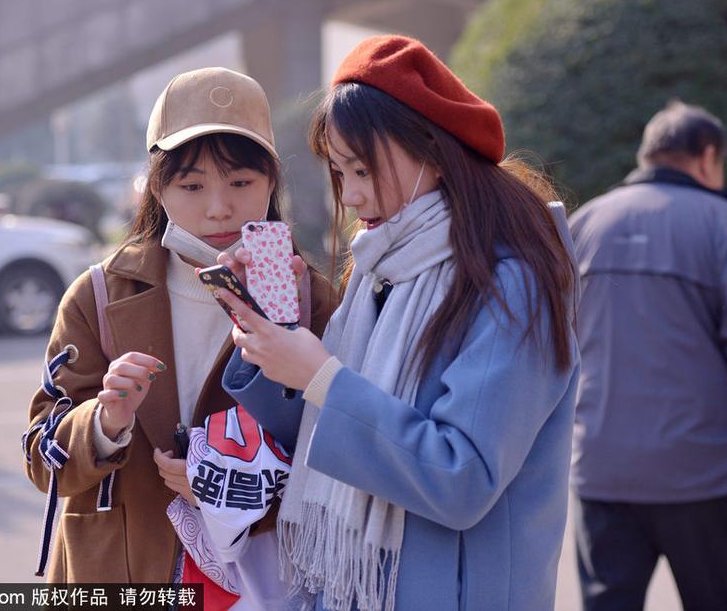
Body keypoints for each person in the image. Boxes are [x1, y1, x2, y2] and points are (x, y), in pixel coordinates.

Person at [214, 35, 580, 611]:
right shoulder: (384, 265)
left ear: (432, 151)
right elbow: (322, 437)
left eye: (363, 169)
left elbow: (463, 477)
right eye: (340, 173)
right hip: (353, 591)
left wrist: (322, 378)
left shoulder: (515, 278)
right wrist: (279, 333)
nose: (353, 195)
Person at [22, 67, 335, 586]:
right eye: (191, 185)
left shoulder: (309, 297)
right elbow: (41, 459)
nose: (219, 207)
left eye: (241, 182)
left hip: (254, 584)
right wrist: (105, 423)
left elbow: (340, 456)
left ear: (272, 182)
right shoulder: (98, 295)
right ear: (157, 188)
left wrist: (228, 489)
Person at [568, 100, 727, 611]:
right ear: (708, 156)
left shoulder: (584, 225)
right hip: (707, 474)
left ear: (648, 155)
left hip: (601, 470)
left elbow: (553, 348)